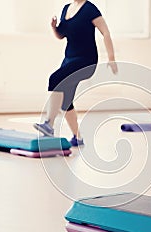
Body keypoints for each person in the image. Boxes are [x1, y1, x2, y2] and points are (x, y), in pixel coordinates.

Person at [34, 0, 118, 146]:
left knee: (54, 79)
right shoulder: (66, 8)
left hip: (86, 61)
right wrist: (54, 28)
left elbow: (105, 32)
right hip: (69, 59)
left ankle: (49, 124)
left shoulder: (89, 9)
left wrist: (111, 58)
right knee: (66, 101)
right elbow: (61, 35)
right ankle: (78, 137)